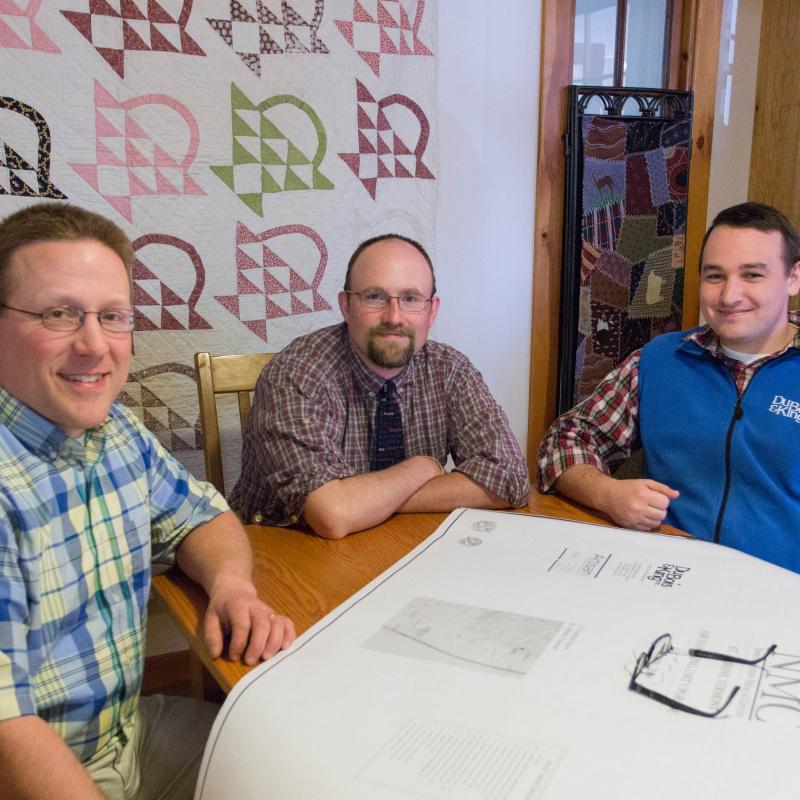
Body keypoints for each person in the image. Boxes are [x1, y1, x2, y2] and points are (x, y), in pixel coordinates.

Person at [0, 203, 296, 800]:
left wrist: (232, 587)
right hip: (37, 772)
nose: (95, 345)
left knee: (301, 763)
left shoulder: (116, 432)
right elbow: (7, 732)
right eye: (58, 314)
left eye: (112, 316)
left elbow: (202, 517)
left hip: (125, 738)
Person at [538, 202, 800, 571]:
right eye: (715, 276)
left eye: (753, 275)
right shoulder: (659, 359)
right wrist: (608, 493)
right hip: (665, 573)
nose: (729, 296)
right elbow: (564, 441)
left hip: (780, 589)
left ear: (793, 278)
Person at [230, 234, 530, 539]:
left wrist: (371, 502)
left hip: (395, 546)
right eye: (375, 296)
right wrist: (423, 468)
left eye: (411, 299)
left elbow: (511, 478)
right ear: (346, 306)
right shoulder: (296, 373)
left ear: (432, 311)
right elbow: (333, 513)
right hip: (281, 552)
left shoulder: (450, 369)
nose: (394, 317)